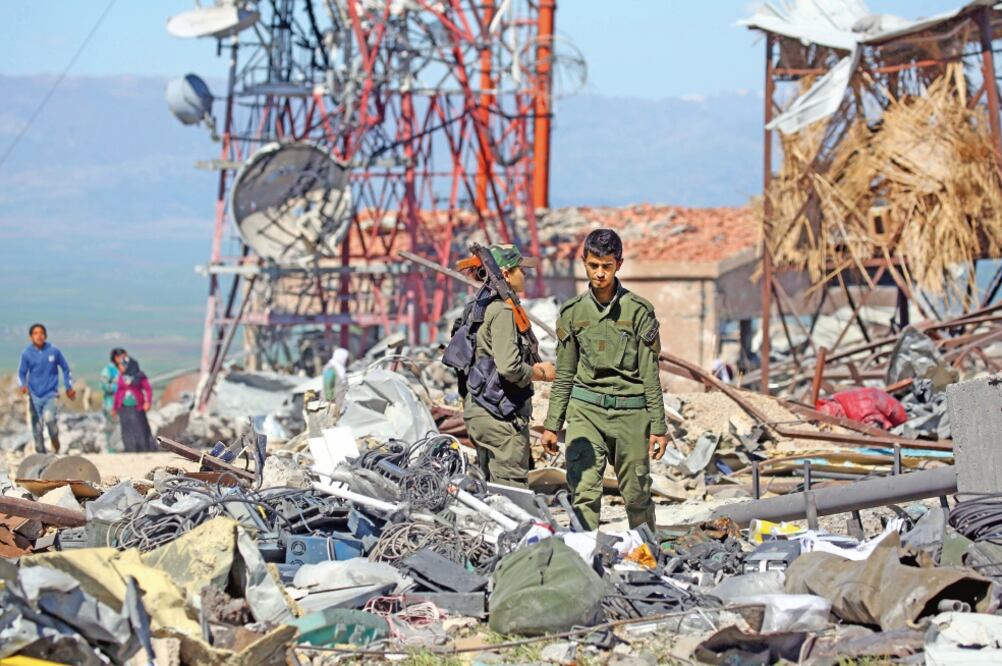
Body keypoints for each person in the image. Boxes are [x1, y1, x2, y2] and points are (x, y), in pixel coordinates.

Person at [541, 229, 669, 531]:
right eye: (593, 265)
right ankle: (586, 560)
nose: (599, 274)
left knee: (637, 495)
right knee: (583, 491)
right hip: (587, 413)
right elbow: (565, 373)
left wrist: (659, 428)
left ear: (618, 265)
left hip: (631, 415)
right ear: (584, 262)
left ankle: (647, 558)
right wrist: (552, 423)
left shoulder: (639, 311)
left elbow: (651, 373)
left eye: (607, 266)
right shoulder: (572, 312)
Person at [446, 244, 555, 488]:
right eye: (520, 269)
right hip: (500, 417)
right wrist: (540, 372)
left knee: (492, 491)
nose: (525, 275)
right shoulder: (502, 312)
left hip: (479, 411)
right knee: (511, 495)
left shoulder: (474, 308)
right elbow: (509, 367)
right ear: (506, 273)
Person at [17, 323, 75, 453]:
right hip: (34, 395)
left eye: (41, 333)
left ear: (45, 335)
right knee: (37, 426)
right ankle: (41, 452)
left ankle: (55, 439)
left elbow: (65, 368)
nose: (39, 336)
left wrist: (68, 386)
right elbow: (21, 373)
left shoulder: (53, 351)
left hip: (50, 394)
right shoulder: (27, 353)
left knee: (49, 419)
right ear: (30, 337)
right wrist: (23, 386)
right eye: (35, 333)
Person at [113, 357, 155, 453]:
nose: (119, 367)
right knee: (127, 429)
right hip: (124, 408)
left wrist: (148, 402)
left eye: (121, 365)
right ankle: (130, 449)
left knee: (140, 428)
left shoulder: (139, 376)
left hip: (137, 407)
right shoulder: (121, 377)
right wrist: (115, 407)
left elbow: (148, 389)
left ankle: (144, 449)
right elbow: (118, 392)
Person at [100, 348, 127, 451]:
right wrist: (118, 387)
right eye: (123, 357)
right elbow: (104, 385)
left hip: (122, 403)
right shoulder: (108, 370)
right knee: (111, 427)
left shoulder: (123, 369)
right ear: (116, 358)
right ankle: (111, 450)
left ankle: (118, 448)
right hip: (110, 403)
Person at [323, 347, 350, 415]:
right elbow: (327, 385)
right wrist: (331, 402)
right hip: (333, 403)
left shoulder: (340, 369)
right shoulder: (330, 368)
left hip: (340, 401)